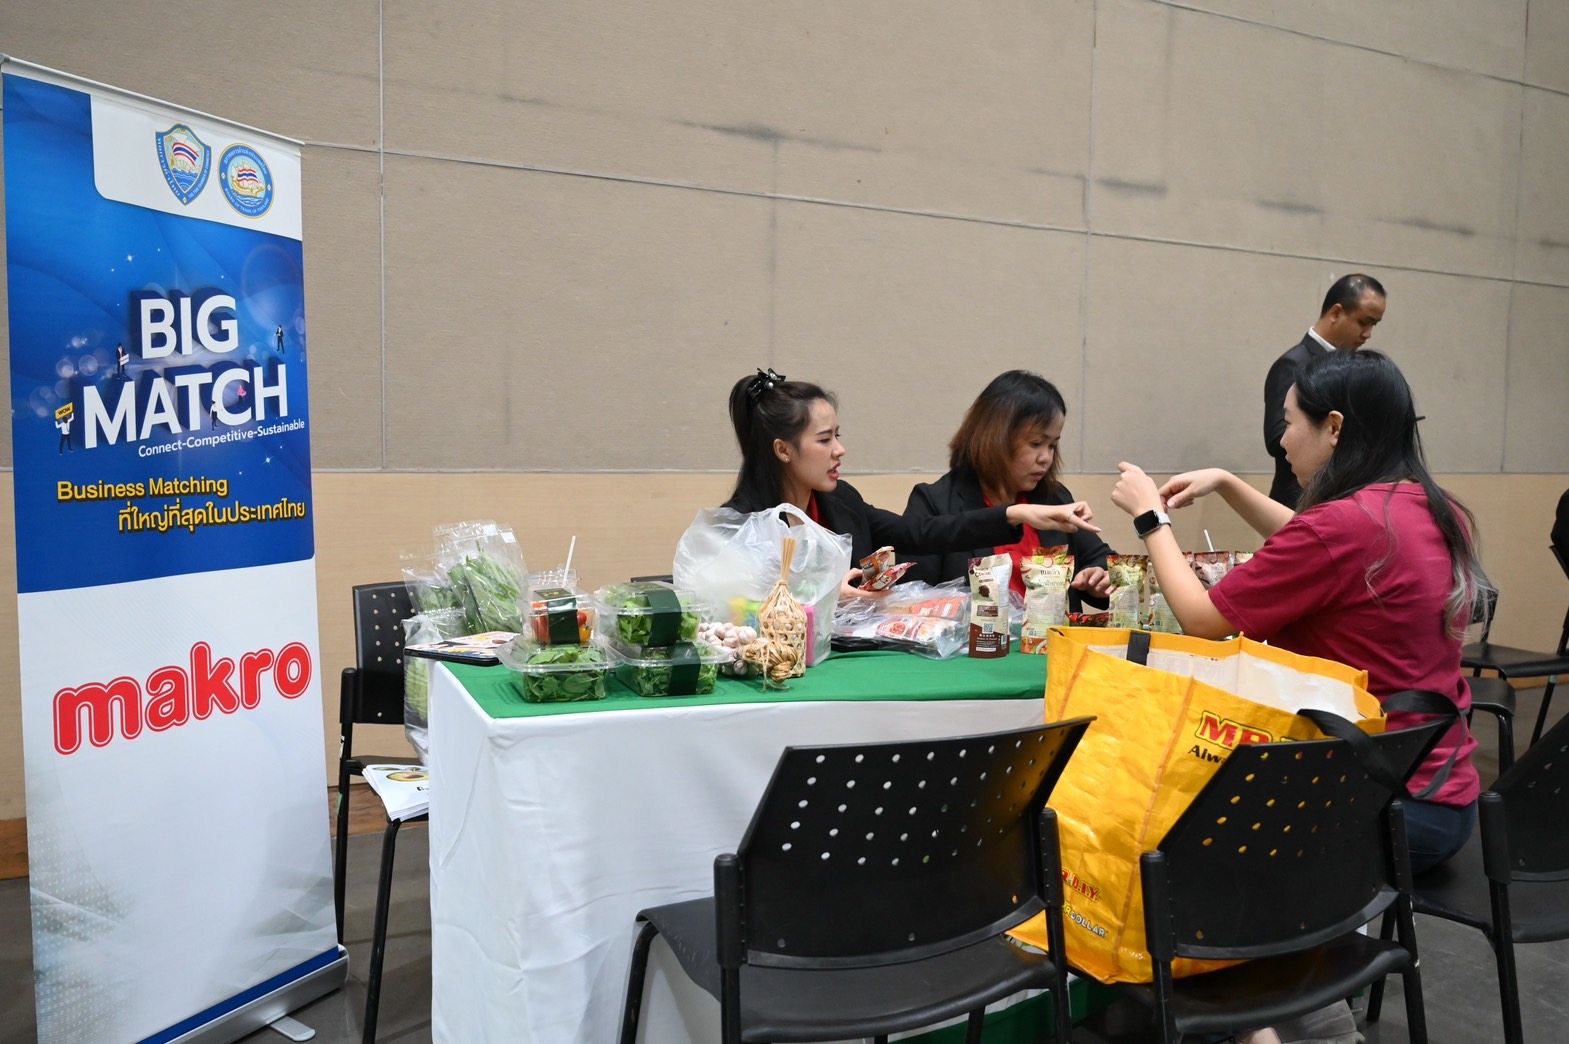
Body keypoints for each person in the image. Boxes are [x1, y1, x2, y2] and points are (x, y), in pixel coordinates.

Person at [1115, 349, 1482, 1044]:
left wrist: (1149, 520)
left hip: (1378, 805)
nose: (1281, 440)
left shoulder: (1343, 525)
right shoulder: (1432, 511)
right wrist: (1228, 484)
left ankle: (1268, 1030)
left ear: (1333, 426)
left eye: (1287, 423)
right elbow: (1315, 544)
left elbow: (1202, 619)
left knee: (1178, 847)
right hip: (1442, 790)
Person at [723, 368, 1099, 598]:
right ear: (783, 450)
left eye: (838, 435)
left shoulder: (842, 501)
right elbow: (733, 612)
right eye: (824, 440)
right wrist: (824, 599)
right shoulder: (738, 526)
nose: (840, 450)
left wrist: (1016, 514)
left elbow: (920, 533)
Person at [903, 370, 1113, 609]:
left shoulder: (1053, 498)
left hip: (1053, 633)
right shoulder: (934, 502)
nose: (1046, 458)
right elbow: (911, 598)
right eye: (1036, 443)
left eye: (1052, 445)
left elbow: (1104, 560)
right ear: (995, 439)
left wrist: (1097, 576)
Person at [1264, 273, 1386, 508]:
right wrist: (1348, 431)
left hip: (1341, 497)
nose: (1368, 333)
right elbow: (1276, 439)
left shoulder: (1350, 366)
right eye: (1364, 321)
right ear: (1337, 312)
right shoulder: (1293, 364)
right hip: (1299, 501)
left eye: (1374, 324)